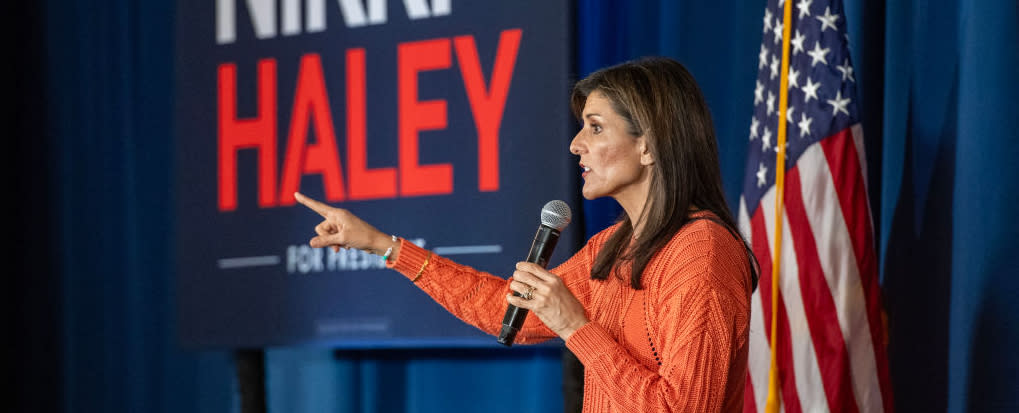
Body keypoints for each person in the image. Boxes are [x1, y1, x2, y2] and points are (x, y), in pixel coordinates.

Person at [295, 57, 759, 412]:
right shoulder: (613, 246)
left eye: (595, 128)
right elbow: (506, 312)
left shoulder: (702, 253)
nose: (576, 144)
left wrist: (577, 327)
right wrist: (382, 245)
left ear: (649, 144)